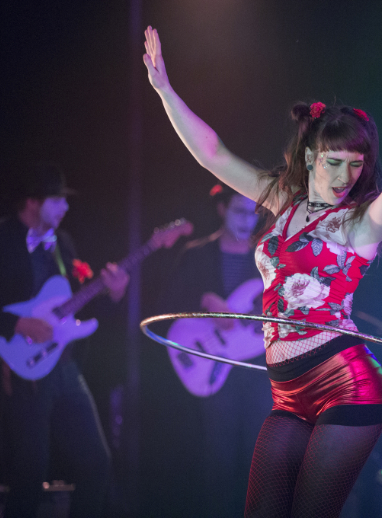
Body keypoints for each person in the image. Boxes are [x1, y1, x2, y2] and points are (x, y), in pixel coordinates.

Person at [142, 25, 382, 517]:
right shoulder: (282, 201)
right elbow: (213, 155)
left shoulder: (358, 224)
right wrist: (166, 91)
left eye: (357, 165)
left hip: (347, 383)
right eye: (335, 162)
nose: (345, 177)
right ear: (313, 156)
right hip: (287, 392)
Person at [0, 165, 129, 518]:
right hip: (20, 372)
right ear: (32, 202)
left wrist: (114, 293)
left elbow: (69, 305)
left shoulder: (62, 243)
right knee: (28, 475)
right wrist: (17, 323)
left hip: (65, 368)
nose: (65, 208)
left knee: (97, 464)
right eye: (57, 200)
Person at [151, 183, 271, 517]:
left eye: (253, 213)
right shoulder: (196, 253)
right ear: (221, 209)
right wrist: (203, 301)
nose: (248, 220)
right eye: (239, 211)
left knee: (258, 459)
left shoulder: (267, 258)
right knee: (218, 459)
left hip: (256, 371)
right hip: (213, 367)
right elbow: (164, 308)